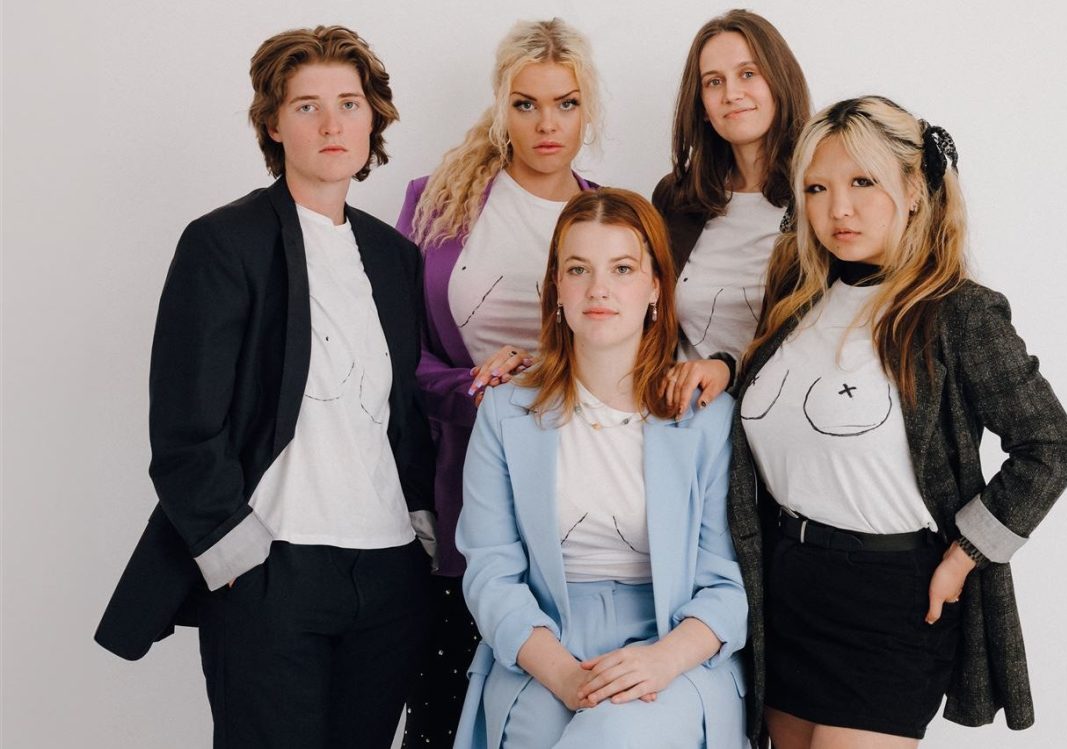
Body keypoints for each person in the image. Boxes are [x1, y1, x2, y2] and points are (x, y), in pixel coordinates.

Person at [94, 26, 436, 749]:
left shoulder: (394, 256)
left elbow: (400, 412)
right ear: (274, 124)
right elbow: (186, 430)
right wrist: (234, 555)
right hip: (271, 569)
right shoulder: (224, 243)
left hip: (388, 574)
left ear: (373, 118)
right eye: (307, 106)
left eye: (349, 102)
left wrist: (423, 530)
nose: (332, 123)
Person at [727, 96, 1067, 747]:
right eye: (817, 188)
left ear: (914, 190)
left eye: (862, 182)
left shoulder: (956, 313)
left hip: (888, 602)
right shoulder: (794, 304)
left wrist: (964, 554)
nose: (839, 208)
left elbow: (1052, 447)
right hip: (783, 591)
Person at [453, 188, 748, 749]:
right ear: (556, 288)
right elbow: (491, 571)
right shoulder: (506, 410)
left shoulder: (706, 418)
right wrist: (563, 673)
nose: (599, 289)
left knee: (612, 736)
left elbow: (728, 583)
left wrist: (663, 661)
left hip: (672, 643)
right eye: (578, 269)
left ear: (656, 286)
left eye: (621, 268)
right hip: (544, 644)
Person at [393, 18, 601, 745]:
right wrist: (469, 383)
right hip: (459, 470)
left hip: (576, 483)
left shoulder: (608, 215)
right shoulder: (436, 200)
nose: (548, 124)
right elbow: (398, 354)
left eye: (567, 104)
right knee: (444, 696)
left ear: (589, 111)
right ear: (500, 106)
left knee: (556, 696)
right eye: (526, 103)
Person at [653, 9, 812, 413]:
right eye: (714, 82)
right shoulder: (677, 199)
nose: (731, 94)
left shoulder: (819, 196)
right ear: (702, 104)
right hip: (685, 424)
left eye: (748, 74)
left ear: (780, 81)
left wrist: (731, 371)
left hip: (779, 424)